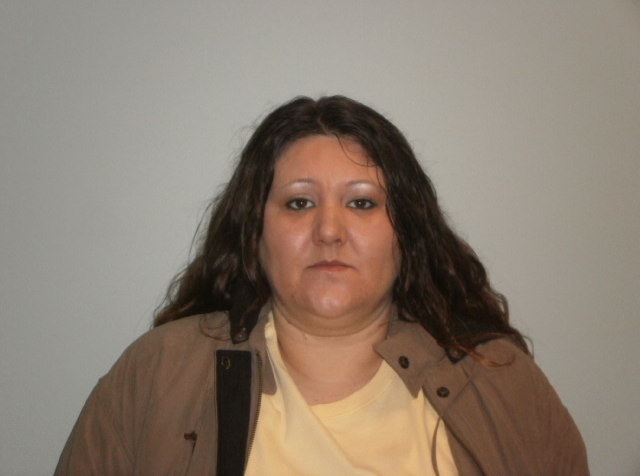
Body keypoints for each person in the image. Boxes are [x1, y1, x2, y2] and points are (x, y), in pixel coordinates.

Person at [55, 95, 589, 475]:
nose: (329, 230)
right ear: (254, 233)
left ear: (406, 233)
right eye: (299, 202)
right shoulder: (154, 376)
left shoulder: (503, 384)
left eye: (362, 202)